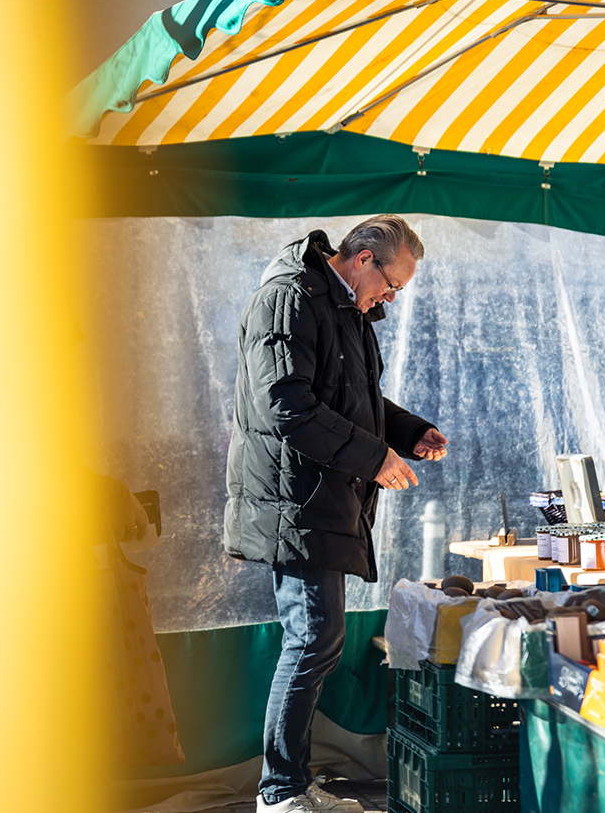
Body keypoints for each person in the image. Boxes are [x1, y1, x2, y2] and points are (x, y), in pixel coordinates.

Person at [224, 215, 448, 813]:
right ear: (364, 258)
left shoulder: (345, 307)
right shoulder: (289, 298)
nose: (390, 299)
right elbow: (286, 405)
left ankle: (289, 783)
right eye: (391, 285)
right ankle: (280, 792)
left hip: (316, 497)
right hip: (293, 499)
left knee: (316, 641)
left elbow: (352, 397)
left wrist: (406, 431)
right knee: (312, 640)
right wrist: (375, 458)